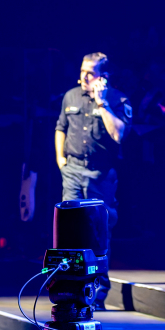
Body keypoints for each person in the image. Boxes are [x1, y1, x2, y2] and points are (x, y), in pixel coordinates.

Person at [55, 52, 131, 305]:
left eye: (90, 73)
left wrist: (102, 103)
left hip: (101, 174)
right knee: (69, 229)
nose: (84, 77)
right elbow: (60, 128)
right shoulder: (70, 96)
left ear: (103, 77)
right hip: (73, 170)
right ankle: (70, 287)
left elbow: (119, 135)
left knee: (98, 233)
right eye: (82, 72)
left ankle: (97, 292)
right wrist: (61, 159)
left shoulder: (118, 99)